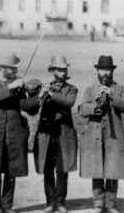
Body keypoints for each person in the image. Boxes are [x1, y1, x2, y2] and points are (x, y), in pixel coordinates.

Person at [0, 53, 37, 213]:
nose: (14, 72)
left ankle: (7, 206)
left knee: (12, 170)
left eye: (14, 69)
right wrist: (10, 87)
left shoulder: (18, 86)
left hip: (13, 134)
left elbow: (29, 108)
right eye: (12, 69)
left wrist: (37, 96)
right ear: (2, 69)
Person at [78, 55, 124, 213]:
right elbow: (82, 109)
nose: (105, 73)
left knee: (113, 168)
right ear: (97, 71)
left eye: (108, 70)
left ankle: (111, 203)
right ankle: (98, 202)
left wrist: (112, 97)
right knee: (96, 167)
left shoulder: (120, 89)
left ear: (112, 71)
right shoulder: (90, 89)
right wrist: (95, 105)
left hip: (113, 136)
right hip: (94, 136)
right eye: (102, 70)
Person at [29, 55, 78, 213]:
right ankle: (50, 202)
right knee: (47, 169)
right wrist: (39, 96)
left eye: (64, 69)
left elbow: (68, 102)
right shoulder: (44, 88)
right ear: (52, 71)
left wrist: (50, 94)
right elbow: (32, 109)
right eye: (59, 70)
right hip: (46, 135)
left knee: (62, 170)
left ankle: (61, 202)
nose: (62, 72)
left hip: (64, 135)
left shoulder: (71, 89)